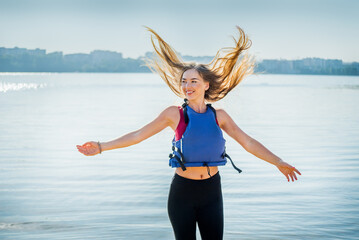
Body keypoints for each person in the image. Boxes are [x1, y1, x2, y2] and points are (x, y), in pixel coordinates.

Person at [76, 26, 301, 240]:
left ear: (206, 85)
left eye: (193, 81)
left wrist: (277, 161)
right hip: (182, 194)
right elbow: (137, 136)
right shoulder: (174, 114)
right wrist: (101, 146)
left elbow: (248, 142)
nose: (187, 86)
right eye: (184, 82)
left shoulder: (219, 116)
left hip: (212, 192)